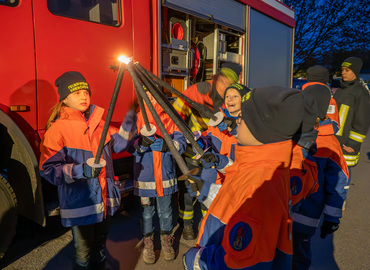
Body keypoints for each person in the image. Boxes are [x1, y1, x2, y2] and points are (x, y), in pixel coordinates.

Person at [183, 86, 305, 269]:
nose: (237, 121)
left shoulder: (262, 188)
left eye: (242, 118)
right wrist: (207, 187)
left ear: (259, 129)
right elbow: (236, 194)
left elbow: (238, 263)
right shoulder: (264, 169)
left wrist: (196, 259)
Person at [39, 71, 135, 270]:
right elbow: (48, 169)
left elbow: (118, 144)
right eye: (77, 93)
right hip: (81, 204)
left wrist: (133, 127)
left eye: (86, 92)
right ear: (65, 98)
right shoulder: (58, 129)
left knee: (101, 246)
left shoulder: (100, 123)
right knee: (83, 252)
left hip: (104, 200)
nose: (83, 96)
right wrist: (80, 170)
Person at [173, 62, 242, 240]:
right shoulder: (200, 90)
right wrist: (180, 139)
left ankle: (208, 224)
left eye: (230, 83)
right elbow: (176, 114)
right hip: (192, 151)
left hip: (215, 159)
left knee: (210, 192)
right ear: (217, 78)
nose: (224, 85)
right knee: (189, 191)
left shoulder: (230, 105)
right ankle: (187, 224)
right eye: (223, 80)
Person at [292, 84, 349, 270]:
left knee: (297, 254)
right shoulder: (294, 132)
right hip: (291, 211)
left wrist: (332, 218)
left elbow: (338, 184)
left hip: (303, 214)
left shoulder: (328, 144)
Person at [126, 90, 186, 264]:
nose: (150, 98)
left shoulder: (170, 117)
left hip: (165, 177)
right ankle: (148, 243)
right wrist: (140, 144)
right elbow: (128, 146)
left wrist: (168, 146)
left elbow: (181, 142)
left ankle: (167, 241)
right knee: (146, 213)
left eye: (153, 94)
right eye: (146, 94)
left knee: (166, 212)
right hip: (145, 178)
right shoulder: (136, 118)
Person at [334, 57, 370, 169]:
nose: (343, 73)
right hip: (334, 141)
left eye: (347, 70)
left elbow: (362, 122)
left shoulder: (360, 92)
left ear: (355, 71)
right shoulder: (341, 89)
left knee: (341, 180)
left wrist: (353, 144)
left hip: (346, 145)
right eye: (342, 70)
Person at [303, 65, 340, 131]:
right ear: (325, 79)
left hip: (302, 137)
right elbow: (334, 125)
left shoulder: (299, 96)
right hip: (323, 138)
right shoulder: (329, 99)